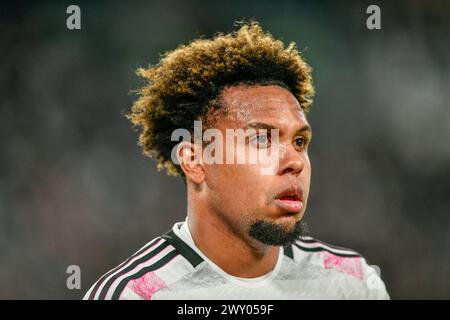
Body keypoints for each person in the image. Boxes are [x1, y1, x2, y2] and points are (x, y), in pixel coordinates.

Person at [84, 21, 389, 300]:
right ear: (195, 161)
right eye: (261, 139)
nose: (294, 161)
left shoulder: (354, 284)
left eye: (299, 141)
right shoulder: (134, 295)